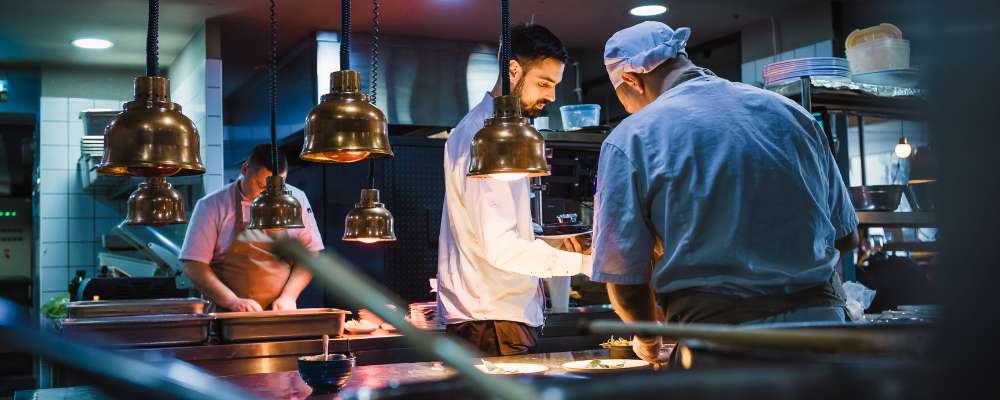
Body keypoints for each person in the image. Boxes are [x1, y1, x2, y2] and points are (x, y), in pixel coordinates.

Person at [590, 22, 860, 362]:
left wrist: (648, 340)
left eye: (625, 100)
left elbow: (625, 280)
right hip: (825, 335)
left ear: (631, 81)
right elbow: (846, 238)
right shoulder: (793, 115)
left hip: (722, 345)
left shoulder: (631, 137)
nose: (629, 109)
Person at [438, 22, 592, 356]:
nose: (551, 95)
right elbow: (501, 248)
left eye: (555, 85)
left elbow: (498, 234)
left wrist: (553, 244)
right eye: (544, 82)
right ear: (513, 69)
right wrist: (586, 265)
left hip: (493, 318)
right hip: (492, 322)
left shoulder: (497, 133)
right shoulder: (486, 138)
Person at [179, 144, 324, 312]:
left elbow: (310, 252)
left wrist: (289, 295)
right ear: (244, 169)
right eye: (262, 186)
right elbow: (193, 264)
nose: (268, 195)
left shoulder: (297, 199)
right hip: (227, 316)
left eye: (278, 188)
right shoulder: (212, 205)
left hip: (280, 313)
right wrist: (231, 301)